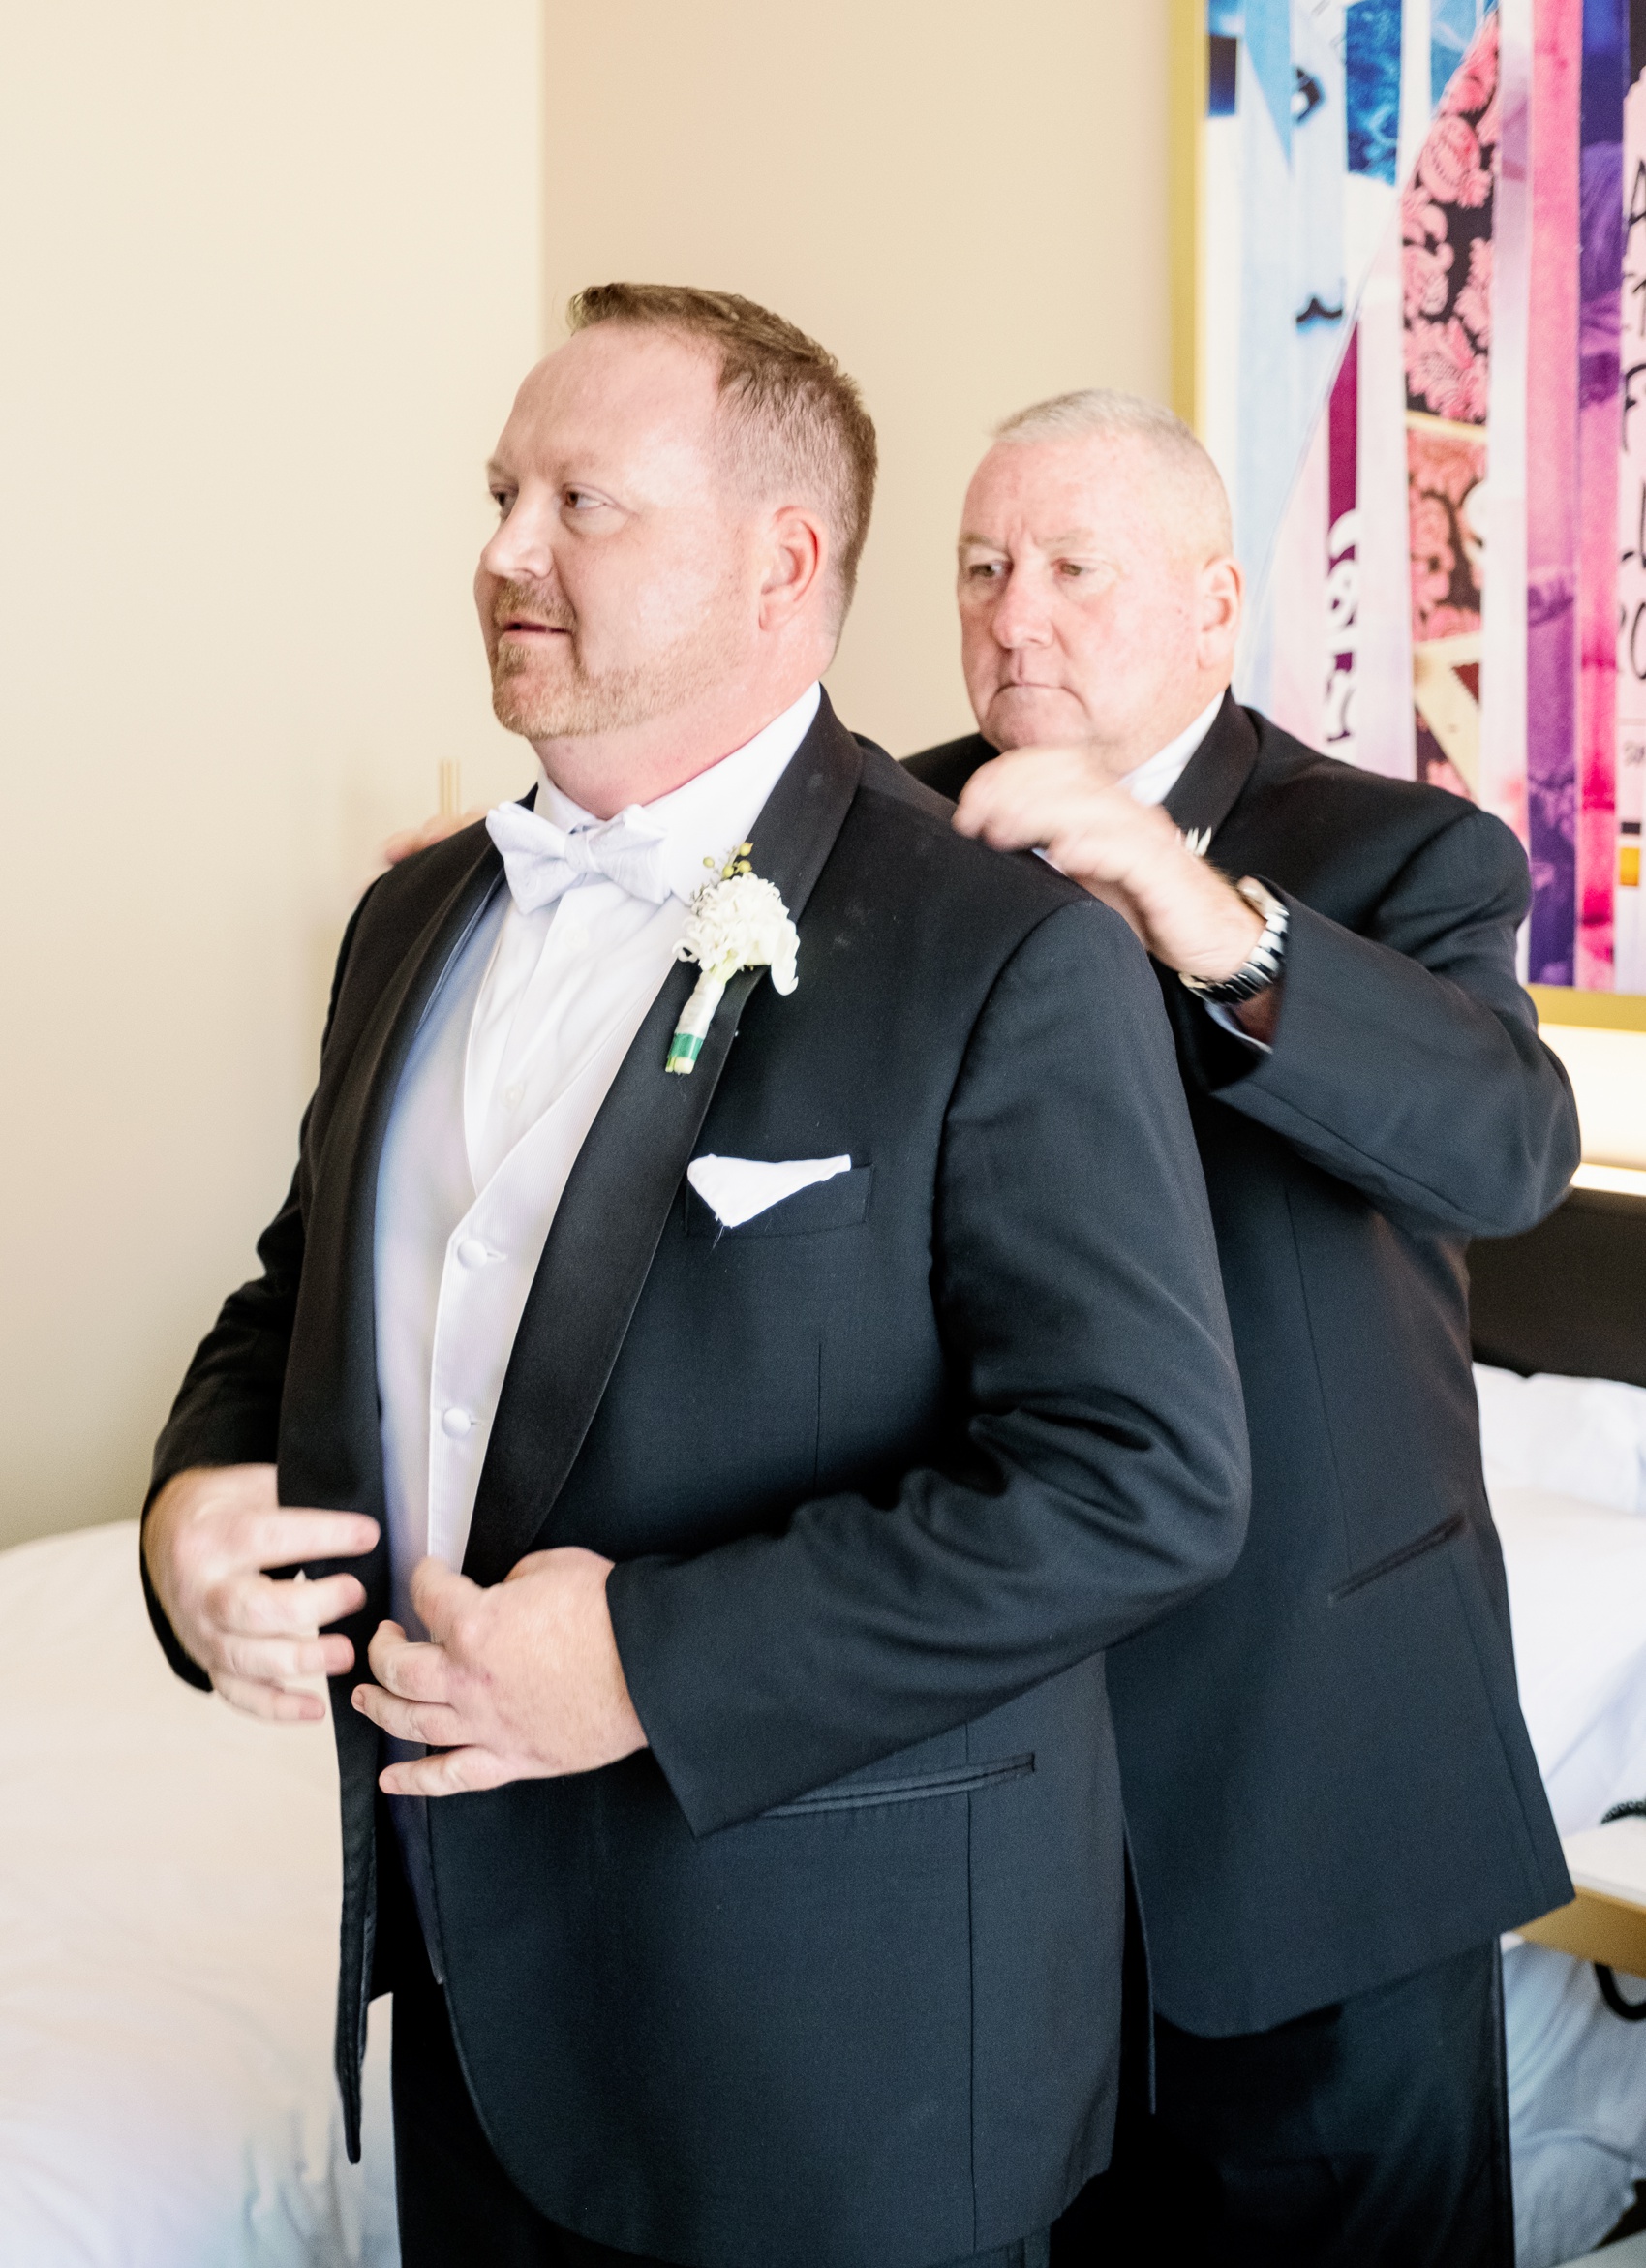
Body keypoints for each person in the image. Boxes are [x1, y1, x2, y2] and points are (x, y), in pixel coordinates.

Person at [139, 296, 1251, 2268]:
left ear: (782, 562)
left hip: (831, 2055)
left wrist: (651, 1658)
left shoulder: (996, 949)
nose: (500, 552)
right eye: (500, 496)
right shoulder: (415, 916)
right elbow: (300, 1294)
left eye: (583, 501)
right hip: (463, 2012)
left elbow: (1138, 1482)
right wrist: (193, 1502)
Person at [903, 387, 1581, 2267]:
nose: (1011, 615)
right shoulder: (883, 839)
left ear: (1212, 609)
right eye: (979, 568)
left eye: (1068, 569)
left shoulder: (1401, 855)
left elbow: (1505, 1149)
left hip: (1318, 1779)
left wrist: (1181, 901)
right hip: (976, 1781)